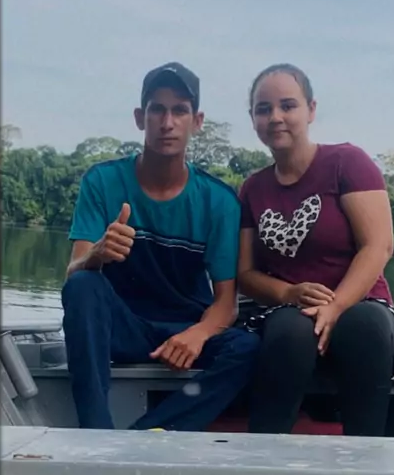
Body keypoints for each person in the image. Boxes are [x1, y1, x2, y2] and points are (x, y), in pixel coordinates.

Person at [62, 62, 259, 431]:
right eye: (157, 109)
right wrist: (96, 254)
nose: (167, 122)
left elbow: (226, 303)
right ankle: (95, 432)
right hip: (122, 328)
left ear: (196, 121)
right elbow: (73, 274)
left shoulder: (218, 201)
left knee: (247, 348)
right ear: (141, 118)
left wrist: (198, 334)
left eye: (179, 110)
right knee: (84, 284)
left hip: (183, 331)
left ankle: (151, 434)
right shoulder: (102, 181)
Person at [238, 63, 394, 436]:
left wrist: (335, 307)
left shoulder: (346, 163)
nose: (275, 117)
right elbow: (246, 274)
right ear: (253, 118)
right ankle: (263, 455)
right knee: (289, 331)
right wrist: (288, 293)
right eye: (263, 109)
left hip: (362, 303)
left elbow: (378, 246)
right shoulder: (253, 189)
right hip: (289, 308)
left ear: (311, 110)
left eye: (288, 105)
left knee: (362, 327)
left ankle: (366, 456)